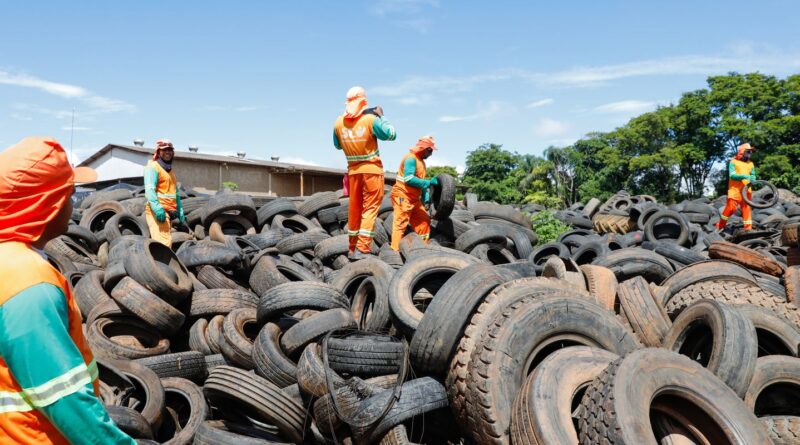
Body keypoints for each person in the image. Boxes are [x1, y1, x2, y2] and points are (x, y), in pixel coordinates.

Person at [0, 137, 136, 444]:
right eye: (69, 195)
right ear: (47, 205)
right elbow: (63, 397)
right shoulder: (29, 282)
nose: (73, 205)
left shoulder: (8, 260)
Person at [333, 86, 396, 259]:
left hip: (353, 173)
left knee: (355, 209)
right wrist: (381, 116)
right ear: (363, 102)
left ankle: (352, 248)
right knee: (369, 209)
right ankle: (362, 248)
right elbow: (391, 134)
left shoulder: (338, 122)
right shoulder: (370, 120)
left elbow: (338, 145)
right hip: (372, 172)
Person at [390, 136, 438, 251]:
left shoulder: (421, 162)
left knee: (424, 220)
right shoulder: (411, 159)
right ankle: (394, 254)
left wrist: (426, 198)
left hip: (414, 198)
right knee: (401, 224)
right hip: (403, 196)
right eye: (430, 150)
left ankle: (422, 249)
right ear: (424, 149)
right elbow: (409, 179)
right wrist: (428, 183)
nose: (431, 154)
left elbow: (420, 183)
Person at [144, 139, 185, 247]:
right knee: (164, 245)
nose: (168, 152)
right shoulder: (153, 168)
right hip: (158, 211)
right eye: (165, 149)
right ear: (158, 152)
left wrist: (179, 209)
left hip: (169, 212)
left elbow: (175, 193)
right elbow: (150, 190)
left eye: (170, 149)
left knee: (165, 242)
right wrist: (157, 208)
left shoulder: (170, 172)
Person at [717, 142, 757, 231]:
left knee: (746, 209)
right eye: (748, 152)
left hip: (746, 190)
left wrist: (753, 179)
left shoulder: (751, 163)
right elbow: (732, 175)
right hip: (735, 190)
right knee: (731, 208)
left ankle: (748, 229)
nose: (750, 154)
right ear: (742, 152)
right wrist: (743, 176)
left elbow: (753, 174)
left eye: (751, 152)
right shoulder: (733, 162)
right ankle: (720, 225)